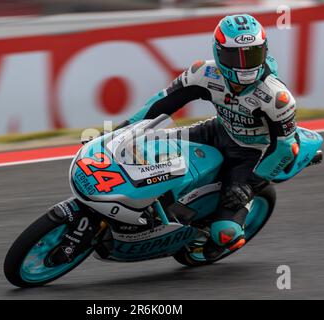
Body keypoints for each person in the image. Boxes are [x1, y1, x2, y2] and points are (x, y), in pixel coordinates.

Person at [115, 14, 299, 259]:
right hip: (215, 132)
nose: (244, 66)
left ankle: (227, 237)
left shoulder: (277, 97)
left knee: (225, 233)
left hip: (251, 155)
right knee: (147, 147)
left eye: (251, 55)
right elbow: (162, 102)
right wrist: (125, 128)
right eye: (235, 56)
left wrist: (249, 185)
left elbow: (286, 148)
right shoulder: (204, 72)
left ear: (264, 51)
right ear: (219, 52)